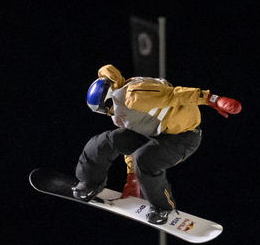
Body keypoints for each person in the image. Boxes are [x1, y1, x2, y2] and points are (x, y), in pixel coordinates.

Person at [75, 64, 241, 224]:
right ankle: (90, 183)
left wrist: (212, 99)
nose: (104, 113)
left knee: (146, 159)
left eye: (102, 109)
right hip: (154, 131)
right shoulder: (120, 105)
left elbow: (174, 95)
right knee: (104, 142)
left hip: (182, 136)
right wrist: (132, 177)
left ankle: (163, 207)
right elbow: (133, 134)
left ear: (109, 100)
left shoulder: (133, 96)